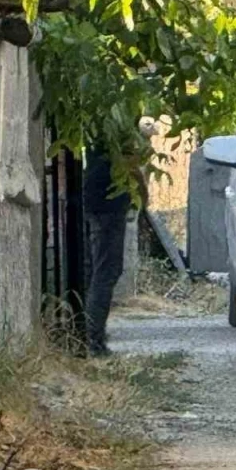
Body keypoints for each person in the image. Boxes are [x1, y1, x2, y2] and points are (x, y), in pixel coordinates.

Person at [82, 144, 141, 357]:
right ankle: (92, 340)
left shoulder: (96, 130)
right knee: (106, 271)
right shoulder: (117, 131)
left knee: (95, 270)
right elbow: (130, 160)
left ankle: (86, 334)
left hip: (95, 197)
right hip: (109, 203)